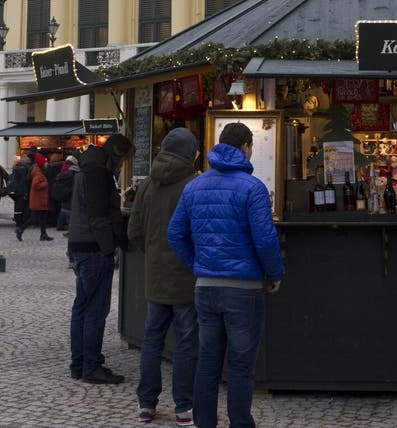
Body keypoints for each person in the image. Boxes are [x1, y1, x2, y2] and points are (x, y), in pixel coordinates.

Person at [168, 121, 283, 428]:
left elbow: (175, 233)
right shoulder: (252, 187)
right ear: (245, 147)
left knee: (207, 362)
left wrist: (197, 265)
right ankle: (240, 424)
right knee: (241, 365)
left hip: (205, 288)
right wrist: (274, 273)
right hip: (243, 289)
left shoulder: (194, 185)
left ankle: (205, 423)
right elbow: (265, 239)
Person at [128, 127, 199, 425]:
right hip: (186, 277)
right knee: (186, 342)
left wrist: (154, 252)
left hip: (155, 277)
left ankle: (146, 405)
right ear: (190, 153)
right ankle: (183, 407)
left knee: (152, 340)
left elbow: (134, 232)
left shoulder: (146, 185)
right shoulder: (194, 185)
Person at [68, 133, 134, 384]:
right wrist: (111, 247)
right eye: (125, 158)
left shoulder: (88, 167)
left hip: (81, 244)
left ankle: (80, 362)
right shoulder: (98, 173)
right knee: (95, 309)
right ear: (117, 154)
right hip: (93, 248)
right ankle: (90, 365)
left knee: (83, 307)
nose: (124, 164)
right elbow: (98, 216)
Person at [15, 153, 53, 241]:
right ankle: (21, 229)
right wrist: (45, 184)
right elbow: (35, 185)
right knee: (34, 218)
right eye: (45, 162)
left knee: (42, 218)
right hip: (38, 199)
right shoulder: (38, 172)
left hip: (40, 199)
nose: (46, 164)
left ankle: (43, 234)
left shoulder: (37, 171)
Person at [53, 155, 79, 231]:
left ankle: (60, 225)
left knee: (64, 209)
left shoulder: (63, 170)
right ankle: (71, 226)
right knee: (69, 210)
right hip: (70, 193)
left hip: (62, 194)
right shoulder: (74, 172)